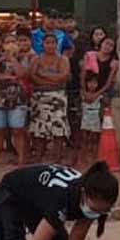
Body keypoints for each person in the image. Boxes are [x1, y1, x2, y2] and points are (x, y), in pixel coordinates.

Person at [0, 32, 31, 168]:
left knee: (18, 130)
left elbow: (22, 74)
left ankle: (21, 162)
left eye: (13, 41)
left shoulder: (23, 58)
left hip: (17, 99)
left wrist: (12, 59)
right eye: (7, 42)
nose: (10, 45)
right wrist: (7, 78)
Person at [29, 33, 71, 163]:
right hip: (39, 97)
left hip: (58, 97)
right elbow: (32, 76)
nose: (50, 45)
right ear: (43, 44)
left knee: (58, 128)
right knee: (39, 129)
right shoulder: (36, 59)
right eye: (48, 42)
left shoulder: (63, 59)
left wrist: (43, 76)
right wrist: (51, 79)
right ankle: (38, 157)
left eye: (53, 42)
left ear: (56, 44)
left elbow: (63, 76)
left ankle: (56, 159)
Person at [77, 74, 105, 166]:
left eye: (94, 83)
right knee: (84, 139)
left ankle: (93, 158)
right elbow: (87, 100)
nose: (92, 85)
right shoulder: (83, 93)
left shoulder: (100, 96)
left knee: (94, 139)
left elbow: (102, 108)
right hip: (85, 118)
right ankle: (82, 158)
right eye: (89, 82)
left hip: (95, 118)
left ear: (98, 84)